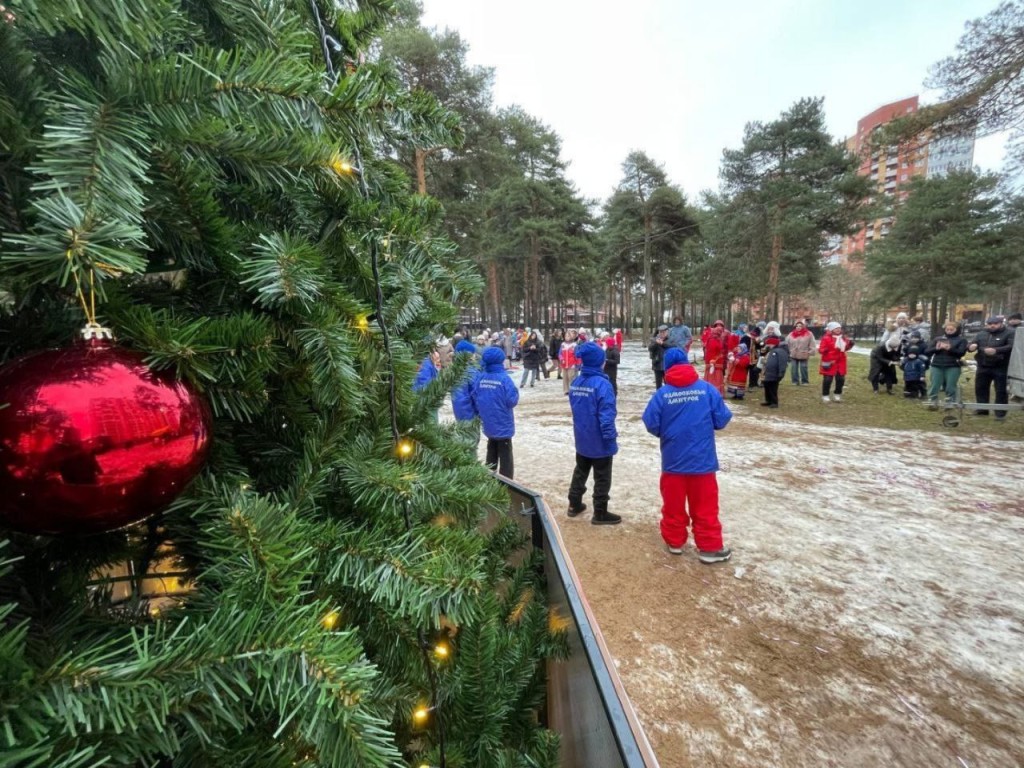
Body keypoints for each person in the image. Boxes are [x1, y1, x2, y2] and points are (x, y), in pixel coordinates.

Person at [642, 347, 733, 564]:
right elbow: (722, 419)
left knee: (672, 503)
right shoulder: (707, 390)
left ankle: (674, 541)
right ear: (687, 364)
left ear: (667, 369)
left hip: (673, 461)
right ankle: (709, 548)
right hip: (703, 462)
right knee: (705, 505)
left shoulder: (662, 395)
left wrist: (669, 434)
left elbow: (651, 422)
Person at [567, 342, 621, 525]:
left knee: (580, 471)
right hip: (599, 440)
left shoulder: (576, 382)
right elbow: (606, 416)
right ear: (599, 363)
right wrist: (610, 438)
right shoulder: (603, 385)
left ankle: (574, 504)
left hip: (582, 437)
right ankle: (600, 512)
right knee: (602, 476)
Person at [471, 346, 518, 477]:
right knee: (505, 455)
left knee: (491, 449)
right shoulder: (504, 379)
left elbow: (475, 395)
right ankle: (507, 482)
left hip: (488, 422)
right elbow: (511, 401)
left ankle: (489, 477)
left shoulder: (481, 377)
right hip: (503, 423)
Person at [967, 315, 1015, 419]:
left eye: (995, 324)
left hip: (1000, 365)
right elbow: (973, 343)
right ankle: (982, 409)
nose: (992, 326)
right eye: (990, 324)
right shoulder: (981, 333)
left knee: (1001, 390)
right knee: (980, 388)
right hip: (983, 364)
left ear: (1001, 323)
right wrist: (971, 347)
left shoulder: (1009, 332)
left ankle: (1000, 413)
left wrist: (996, 350)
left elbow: (1011, 346)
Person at [924, 320, 968, 408]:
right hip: (937, 364)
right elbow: (927, 351)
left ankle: (950, 402)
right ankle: (932, 401)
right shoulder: (938, 339)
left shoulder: (961, 340)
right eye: (947, 329)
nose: (949, 331)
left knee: (950, 386)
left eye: (951, 330)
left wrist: (949, 348)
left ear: (957, 330)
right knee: (935, 384)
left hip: (952, 365)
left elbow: (961, 352)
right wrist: (937, 349)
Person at [819, 321, 853, 402]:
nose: (838, 329)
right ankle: (825, 395)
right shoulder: (826, 338)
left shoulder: (843, 338)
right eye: (836, 328)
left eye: (839, 328)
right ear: (831, 329)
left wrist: (850, 345)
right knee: (827, 379)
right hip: (829, 361)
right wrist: (826, 349)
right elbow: (821, 350)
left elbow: (845, 348)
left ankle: (837, 394)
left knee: (841, 379)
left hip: (840, 362)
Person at [867, 327, 901, 395]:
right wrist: (889, 362)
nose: (894, 349)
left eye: (895, 347)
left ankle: (889, 389)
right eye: (892, 347)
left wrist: (897, 360)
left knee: (890, 372)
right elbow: (880, 357)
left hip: (888, 357)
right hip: (876, 357)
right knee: (876, 372)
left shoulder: (898, 345)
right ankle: (875, 389)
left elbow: (897, 355)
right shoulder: (880, 346)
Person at [760, 336, 789, 408]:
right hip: (768, 372)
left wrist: (781, 373)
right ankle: (768, 400)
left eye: (769, 344)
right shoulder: (771, 351)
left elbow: (782, 363)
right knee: (767, 387)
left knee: (773, 388)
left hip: (774, 373)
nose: (767, 345)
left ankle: (774, 402)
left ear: (773, 344)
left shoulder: (780, 351)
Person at [785, 320, 815, 385]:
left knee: (803, 368)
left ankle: (805, 381)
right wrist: (788, 351)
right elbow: (787, 343)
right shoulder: (791, 334)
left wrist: (810, 352)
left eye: (800, 326)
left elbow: (812, 344)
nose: (798, 327)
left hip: (803, 354)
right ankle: (795, 381)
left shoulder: (809, 334)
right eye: (797, 326)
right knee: (793, 369)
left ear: (803, 326)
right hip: (793, 354)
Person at [703, 320, 728, 395]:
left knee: (717, 377)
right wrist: (712, 362)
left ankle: (715, 392)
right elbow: (711, 352)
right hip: (714, 363)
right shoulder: (713, 340)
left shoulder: (717, 339)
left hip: (717, 362)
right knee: (714, 378)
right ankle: (713, 393)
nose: (720, 333)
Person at [600, 331, 621, 395]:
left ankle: (614, 393)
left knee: (612, 382)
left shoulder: (615, 350)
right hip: (606, 369)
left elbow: (617, 361)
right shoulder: (607, 349)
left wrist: (607, 360)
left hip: (612, 370)